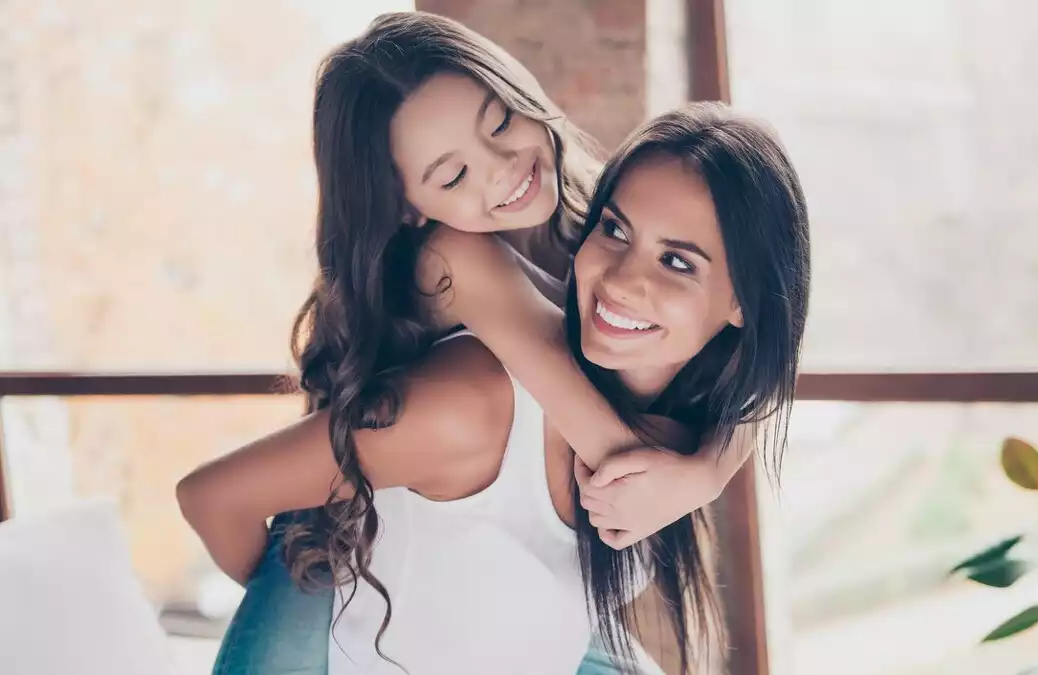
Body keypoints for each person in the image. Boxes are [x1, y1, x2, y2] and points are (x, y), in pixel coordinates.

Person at [177, 12, 810, 674]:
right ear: (406, 206)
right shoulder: (456, 268)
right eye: (453, 176)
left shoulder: (601, 224)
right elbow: (608, 447)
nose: (504, 169)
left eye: (502, 122)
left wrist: (706, 469)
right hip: (341, 589)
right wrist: (300, 614)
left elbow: (758, 365)